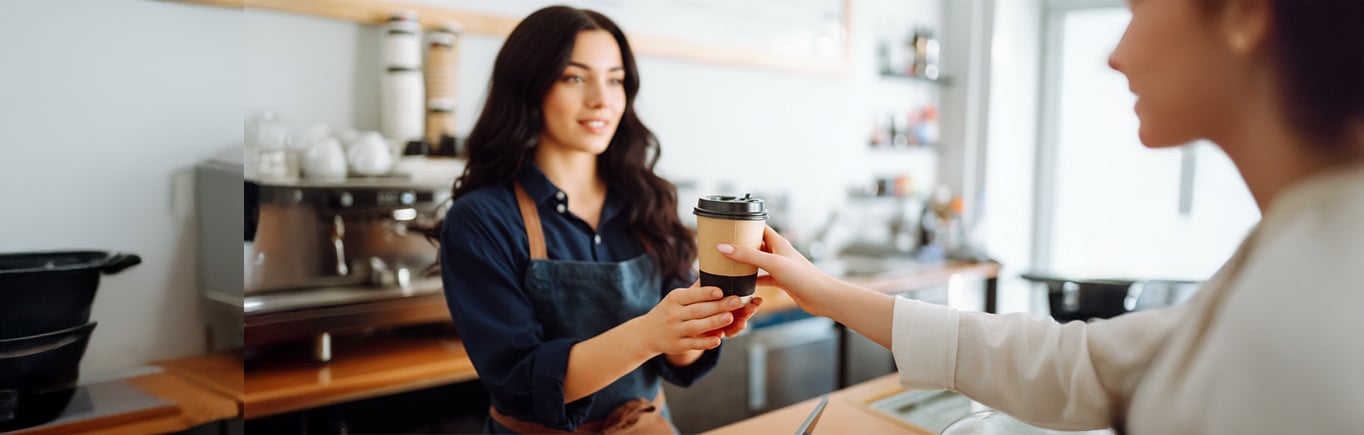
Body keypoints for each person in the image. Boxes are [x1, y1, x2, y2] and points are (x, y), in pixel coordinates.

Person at [719, 0, 1363, 433]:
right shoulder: (1296, 248)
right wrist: (825, 291)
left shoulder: (1314, 313)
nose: (1117, 55)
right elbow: (1076, 364)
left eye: (1138, 6)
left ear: (1246, 14)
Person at [437, 6, 761, 434]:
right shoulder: (480, 220)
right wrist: (649, 334)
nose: (602, 99)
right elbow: (519, 382)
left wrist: (700, 327)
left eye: (615, 79)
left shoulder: (646, 200)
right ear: (529, 87)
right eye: (575, 77)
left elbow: (675, 357)